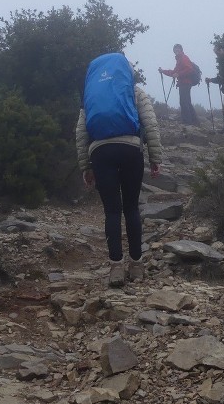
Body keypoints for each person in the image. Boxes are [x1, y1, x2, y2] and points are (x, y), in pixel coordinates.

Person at [76, 52, 162, 287]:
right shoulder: (135, 92)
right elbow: (150, 124)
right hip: (130, 149)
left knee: (112, 211)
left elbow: (81, 132)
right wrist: (155, 157)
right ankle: (136, 265)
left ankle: (115, 268)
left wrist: (86, 166)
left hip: (101, 153)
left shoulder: (92, 94)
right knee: (131, 208)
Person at [158, 43, 200, 126]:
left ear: (181, 50)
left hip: (185, 83)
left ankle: (187, 121)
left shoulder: (184, 58)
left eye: (178, 49)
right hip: (183, 83)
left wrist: (179, 74)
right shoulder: (179, 60)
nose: (176, 50)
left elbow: (189, 69)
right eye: (175, 49)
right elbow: (173, 72)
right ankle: (194, 121)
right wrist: (163, 71)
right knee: (186, 101)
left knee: (184, 101)